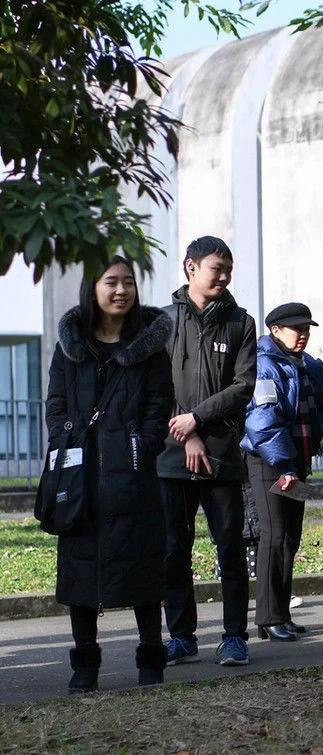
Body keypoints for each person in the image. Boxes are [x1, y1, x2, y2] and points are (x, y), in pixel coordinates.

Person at [45, 257, 174, 692]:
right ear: (92, 288)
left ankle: (151, 661)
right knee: (80, 576)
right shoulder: (70, 346)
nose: (122, 291)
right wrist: (67, 443)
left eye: (129, 283)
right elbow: (56, 404)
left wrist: (141, 445)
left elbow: (160, 406)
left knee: (143, 573)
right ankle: (84, 666)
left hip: (133, 477)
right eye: (111, 282)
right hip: (80, 482)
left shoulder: (149, 348)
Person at [157, 236, 257, 668]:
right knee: (173, 549)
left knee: (230, 549)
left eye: (229, 269)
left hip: (221, 456)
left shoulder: (241, 323)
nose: (224, 276)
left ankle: (234, 636)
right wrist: (186, 432)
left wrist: (198, 420)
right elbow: (154, 388)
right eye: (217, 267)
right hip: (172, 455)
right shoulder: (161, 322)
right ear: (190, 268)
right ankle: (181, 636)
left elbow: (243, 386)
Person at [241, 303, 323, 641]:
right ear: (276, 330)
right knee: (274, 535)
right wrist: (283, 464)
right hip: (271, 462)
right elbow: (261, 418)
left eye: (307, 328)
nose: (304, 335)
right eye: (297, 329)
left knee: (290, 538)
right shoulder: (264, 364)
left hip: (297, 461)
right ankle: (268, 618)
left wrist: (308, 444)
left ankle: (281, 614)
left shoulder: (309, 364)